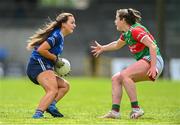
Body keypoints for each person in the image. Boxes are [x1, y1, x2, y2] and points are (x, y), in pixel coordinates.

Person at [91, 8, 164, 119]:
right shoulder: (127, 33)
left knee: (125, 75)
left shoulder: (135, 30)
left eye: (116, 19)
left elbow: (152, 46)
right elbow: (117, 44)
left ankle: (136, 109)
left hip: (154, 60)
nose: (115, 21)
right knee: (116, 78)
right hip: (148, 61)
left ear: (123, 20)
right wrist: (103, 48)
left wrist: (153, 67)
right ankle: (115, 112)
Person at [26, 12, 76, 119]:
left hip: (44, 66)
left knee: (64, 86)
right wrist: (56, 59)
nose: (74, 25)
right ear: (63, 24)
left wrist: (60, 67)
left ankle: (51, 105)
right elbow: (41, 50)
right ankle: (38, 114)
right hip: (38, 65)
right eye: (72, 22)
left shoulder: (60, 36)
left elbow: (50, 54)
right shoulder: (56, 35)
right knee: (52, 90)